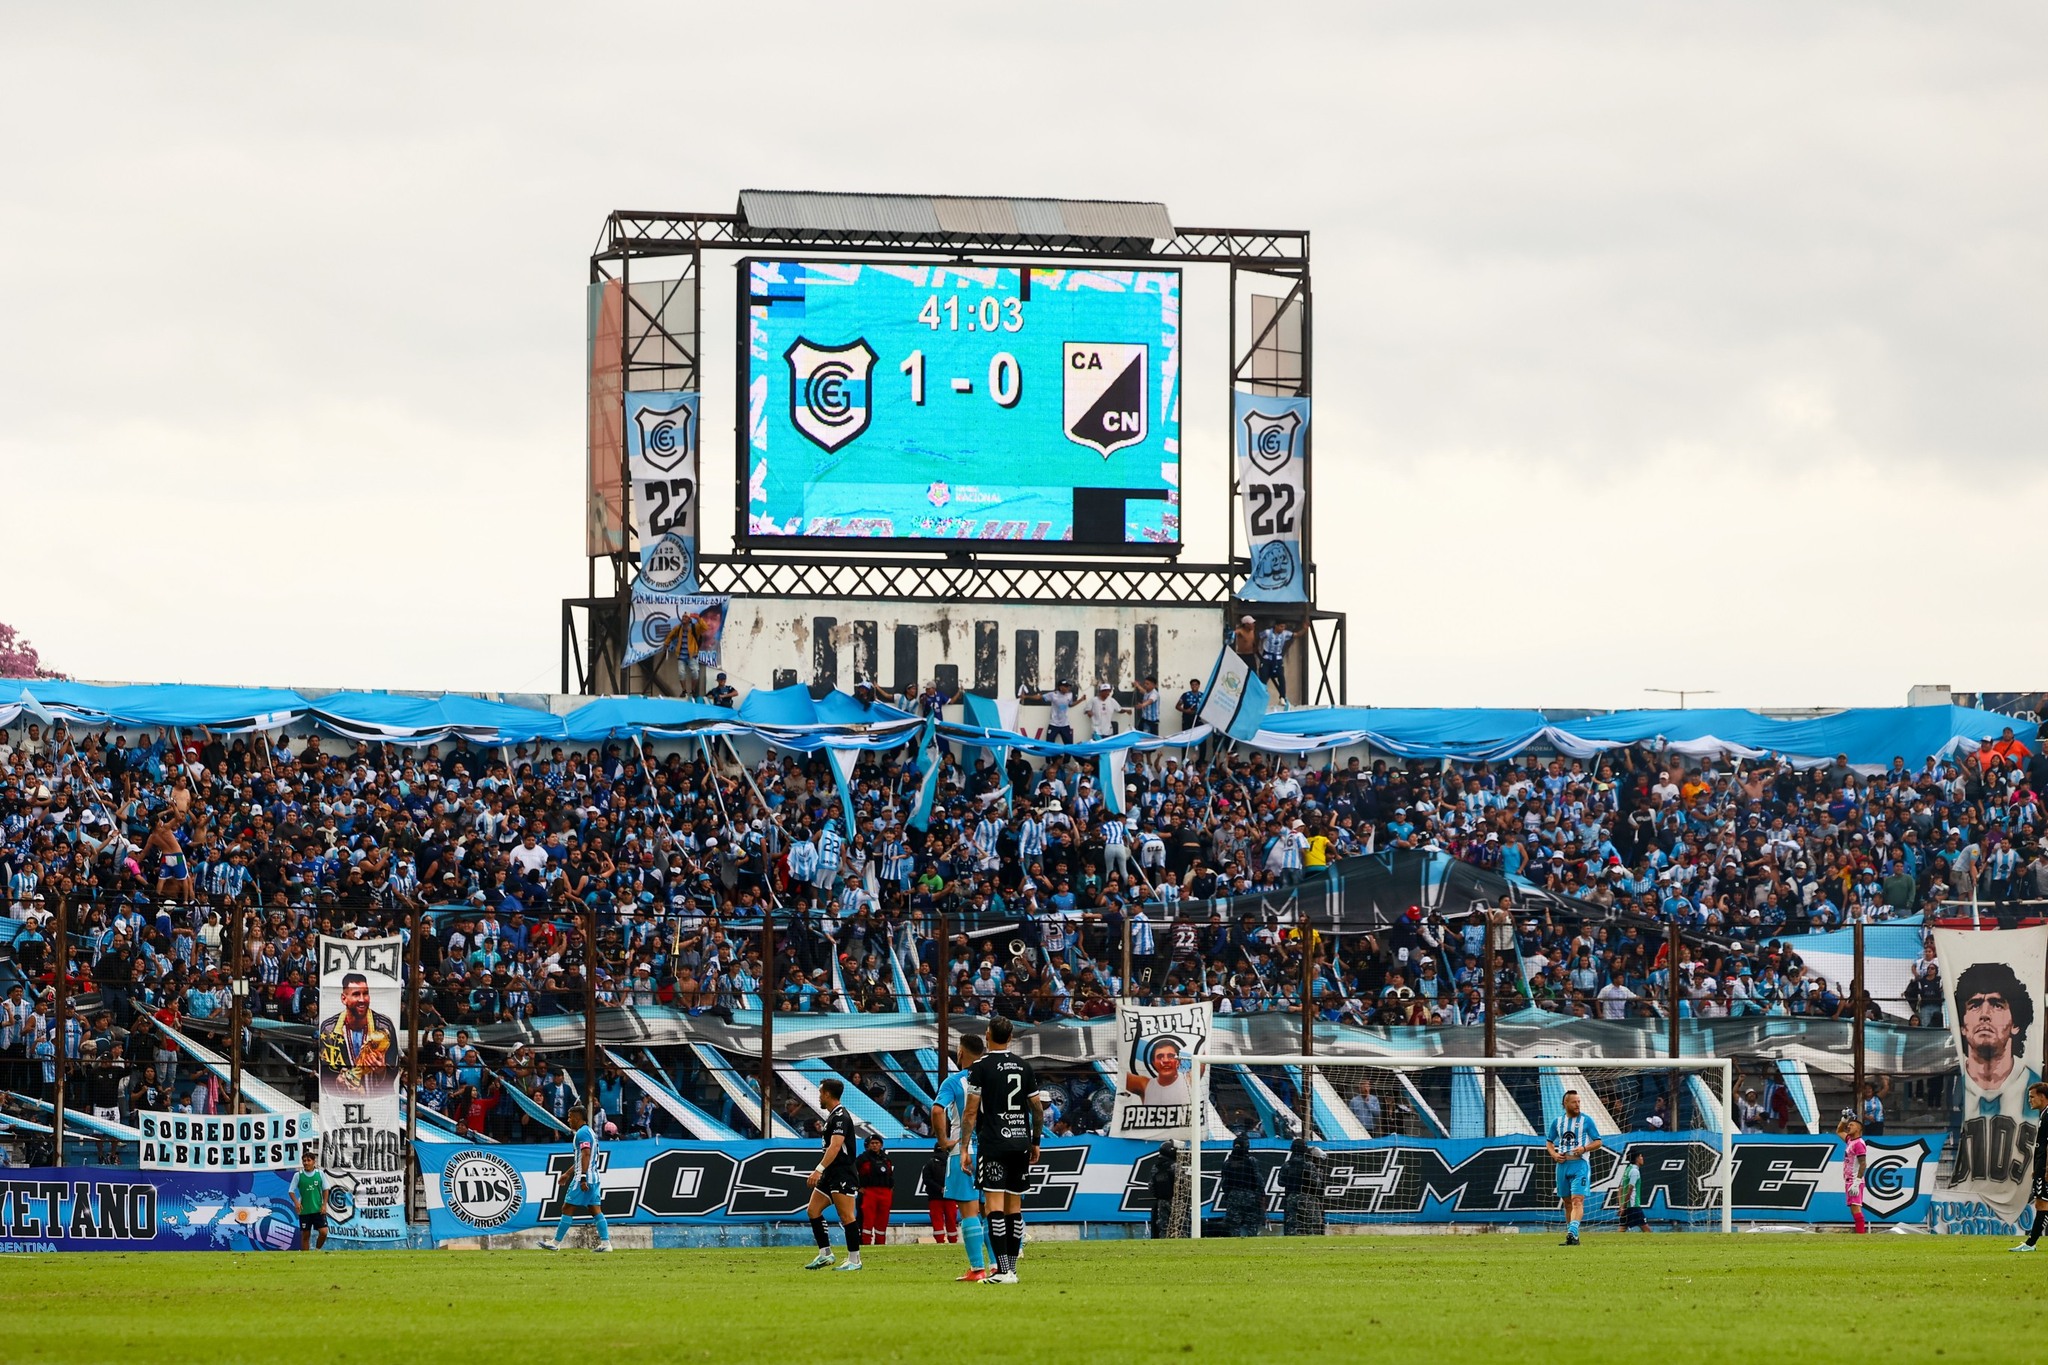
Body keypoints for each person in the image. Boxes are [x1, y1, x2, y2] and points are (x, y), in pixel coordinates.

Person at [961, 1014, 1043, 1285]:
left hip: (994, 1143)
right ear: (1010, 1037)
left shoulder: (980, 1067)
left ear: (987, 1035)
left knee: (993, 1206)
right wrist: (1035, 1141)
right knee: (1014, 1208)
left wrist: (964, 1148)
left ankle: (1003, 1270)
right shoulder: (1024, 1066)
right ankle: (1012, 1271)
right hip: (1020, 1142)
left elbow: (970, 1112)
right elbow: (1037, 1109)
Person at [930, 1033, 993, 1281]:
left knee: (969, 1212)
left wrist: (943, 1140)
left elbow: (937, 1110)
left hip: (963, 1150)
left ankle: (977, 1269)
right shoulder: (993, 1077)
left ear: (961, 1052)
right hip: (991, 1150)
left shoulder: (954, 1081)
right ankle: (997, 1266)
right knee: (990, 1211)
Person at [801, 1077, 862, 1271]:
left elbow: (835, 1146)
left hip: (843, 1172)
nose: (819, 1096)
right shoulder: (832, 1116)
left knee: (846, 1216)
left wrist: (818, 1170)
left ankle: (854, 1260)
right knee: (813, 1210)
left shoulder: (841, 1117)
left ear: (827, 1094)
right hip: (831, 1173)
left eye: (820, 1092)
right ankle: (825, 1254)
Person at [539, 1105, 612, 1251]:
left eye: (570, 1117)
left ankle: (555, 1243)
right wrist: (567, 1173)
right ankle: (606, 1244)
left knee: (567, 1207)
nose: (568, 1120)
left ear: (577, 1118)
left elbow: (586, 1154)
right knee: (595, 1209)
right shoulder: (589, 1132)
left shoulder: (582, 1133)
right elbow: (582, 1158)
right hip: (593, 1177)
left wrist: (583, 1178)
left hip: (583, 1178)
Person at [316, 972, 398, 1096]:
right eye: (356, 994)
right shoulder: (329, 1029)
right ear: (344, 998)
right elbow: (326, 1074)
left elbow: (394, 1071)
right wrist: (339, 1083)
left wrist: (382, 1072)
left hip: (376, 1103)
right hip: (342, 1103)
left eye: (365, 993)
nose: (362, 999)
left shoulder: (385, 1026)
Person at [1546, 1088, 1601, 1246]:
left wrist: (1584, 1148)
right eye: (1574, 1102)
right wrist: (1554, 1154)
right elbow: (1549, 1142)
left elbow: (1598, 1142)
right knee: (1567, 1202)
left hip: (1580, 1165)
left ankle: (1572, 1231)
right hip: (1562, 1165)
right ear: (1565, 1103)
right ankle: (1573, 1237)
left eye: (1579, 1102)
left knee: (1577, 1200)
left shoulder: (1586, 1120)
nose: (1577, 1105)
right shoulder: (1557, 1122)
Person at [2012, 1082, 2048, 1251]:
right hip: (2041, 1167)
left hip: (2045, 1169)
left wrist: (2046, 1169)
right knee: (2042, 1204)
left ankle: (2030, 1243)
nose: (2030, 1100)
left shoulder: (2047, 1116)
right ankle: (2030, 1243)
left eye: (2032, 1097)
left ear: (2042, 1096)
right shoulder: (2044, 1114)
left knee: (2042, 1204)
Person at [1219, 1132, 1263, 1237]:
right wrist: (1260, 1195)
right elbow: (1258, 1180)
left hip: (1234, 1195)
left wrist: (1229, 1195)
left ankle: (1235, 1242)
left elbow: (1224, 1182)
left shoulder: (1228, 1163)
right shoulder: (1251, 1161)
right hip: (1250, 1196)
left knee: (1234, 1225)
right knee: (1251, 1224)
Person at [856, 1133, 894, 1248]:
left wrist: (890, 1189)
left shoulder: (886, 1159)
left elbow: (890, 1176)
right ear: (867, 1145)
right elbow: (852, 1174)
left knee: (883, 1220)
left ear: (881, 1145)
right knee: (867, 1220)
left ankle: (880, 1245)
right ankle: (866, 1244)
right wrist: (858, 1188)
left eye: (877, 1143)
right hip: (869, 1192)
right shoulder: (862, 1159)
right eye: (872, 1143)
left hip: (885, 1192)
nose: (874, 1145)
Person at [1837, 1109, 1868, 1235]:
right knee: (1853, 1208)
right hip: (1849, 1179)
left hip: (1855, 1180)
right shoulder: (1850, 1140)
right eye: (1848, 1125)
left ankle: (1861, 1234)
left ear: (1859, 1129)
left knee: (1856, 1207)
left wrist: (1857, 1182)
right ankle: (1860, 1233)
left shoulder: (1859, 1144)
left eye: (1852, 1125)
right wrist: (1844, 1119)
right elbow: (1839, 1131)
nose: (1849, 1126)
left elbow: (1863, 1163)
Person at [293, 1148, 328, 1251]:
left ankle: (317, 1250)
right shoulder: (298, 1175)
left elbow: (326, 1189)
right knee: (305, 1235)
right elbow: (291, 1191)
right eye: (304, 1161)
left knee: (324, 1232)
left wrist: (324, 1204)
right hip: (305, 1210)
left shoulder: (320, 1174)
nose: (306, 1163)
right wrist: (296, 1203)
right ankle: (306, 1257)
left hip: (318, 1209)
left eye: (308, 1160)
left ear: (314, 1162)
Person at [1147, 1142, 1180, 1239]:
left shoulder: (1155, 1167)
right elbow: (1183, 1183)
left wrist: (1159, 1196)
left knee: (1163, 1227)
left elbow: (1151, 1185)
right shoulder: (1175, 1166)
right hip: (1176, 1201)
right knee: (1179, 1225)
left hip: (1161, 1201)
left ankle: (1164, 1242)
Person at [1616, 1150, 1648, 1233]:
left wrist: (1621, 1206)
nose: (1642, 1158)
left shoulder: (1628, 1170)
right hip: (1633, 1206)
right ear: (1637, 1158)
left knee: (1622, 1229)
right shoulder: (1634, 1171)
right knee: (1647, 1230)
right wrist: (1623, 1206)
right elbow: (1630, 1190)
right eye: (1641, 1156)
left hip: (1626, 1206)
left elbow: (1620, 1189)